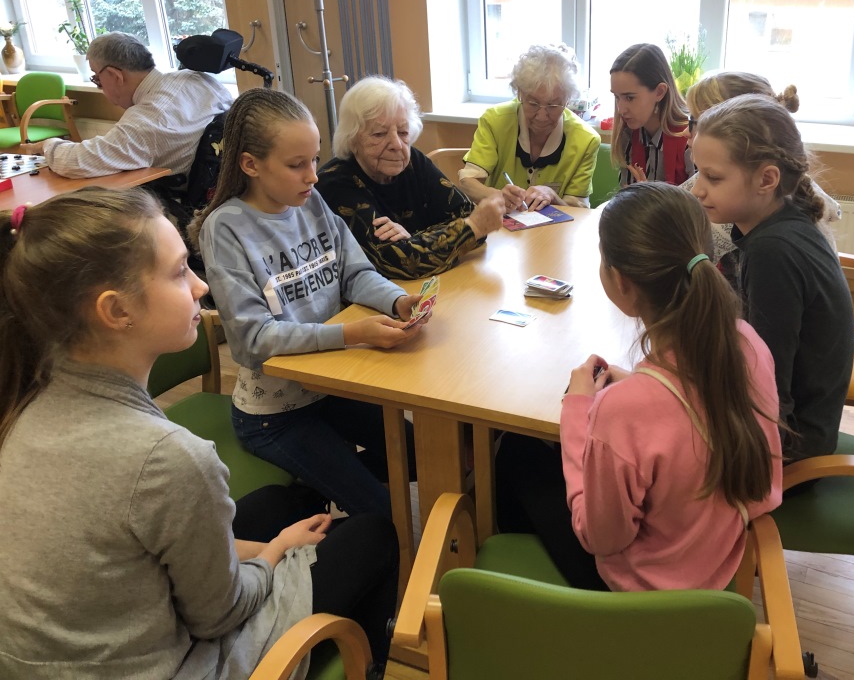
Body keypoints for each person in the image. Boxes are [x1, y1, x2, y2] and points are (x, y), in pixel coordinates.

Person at [0, 188, 398, 679]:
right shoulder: (167, 457)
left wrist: (266, 546)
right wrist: (275, 552)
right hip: (181, 665)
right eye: (178, 272)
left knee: (278, 503)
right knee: (374, 533)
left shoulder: (22, 403)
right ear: (116, 311)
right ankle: (364, 664)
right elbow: (219, 616)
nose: (200, 286)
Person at [496, 183, 783, 592]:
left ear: (621, 282)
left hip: (642, 593)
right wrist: (640, 384)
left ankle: (538, 603)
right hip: (717, 561)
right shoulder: (747, 342)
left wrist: (578, 408)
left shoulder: (624, 409)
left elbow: (601, 538)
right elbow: (703, 418)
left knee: (515, 451)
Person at [189, 88, 423, 519]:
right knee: (384, 515)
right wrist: (350, 334)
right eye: (297, 164)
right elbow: (253, 340)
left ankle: (316, 489)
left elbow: (354, 273)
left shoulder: (309, 201)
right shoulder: (226, 228)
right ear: (250, 165)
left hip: (331, 388)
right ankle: (307, 498)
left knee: (420, 454)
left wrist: (397, 301)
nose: (313, 176)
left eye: (315, 159)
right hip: (275, 414)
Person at [689, 93, 854, 463]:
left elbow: (767, 392)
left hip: (788, 447)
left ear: (767, 179)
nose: (698, 189)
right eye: (698, 171)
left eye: (713, 177)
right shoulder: (785, 221)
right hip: (788, 426)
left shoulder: (773, 253)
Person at [318, 76, 504, 279]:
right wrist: (471, 228)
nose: (396, 144)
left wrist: (411, 240)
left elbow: (467, 214)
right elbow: (398, 263)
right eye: (379, 134)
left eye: (403, 132)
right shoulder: (335, 184)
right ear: (352, 138)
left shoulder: (412, 161)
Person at [682, 70, 842, 278]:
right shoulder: (771, 208)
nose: (686, 131)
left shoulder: (771, 248)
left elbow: (679, 254)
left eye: (695, 121)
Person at [26, 31, 234, 179]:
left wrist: (47, 145)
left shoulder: (145, 121)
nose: (99, 86)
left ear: (115, 75)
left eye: (97, 78)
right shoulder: (198, 79)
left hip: (176, 205)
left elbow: (77, 162)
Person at [460, 43, 600, 211]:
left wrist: (552, 196)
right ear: (520, 93)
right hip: (497, 222)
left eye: (553, 105)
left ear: (568, 99)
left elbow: (579, 211)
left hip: (556, 228)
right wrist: (497, 196)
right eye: (533, 103)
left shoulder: (586, 140)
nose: (541, 116)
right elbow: (467, 183)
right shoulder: (495, 121)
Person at [609, 43, 693, 186]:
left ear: (659, 92)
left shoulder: (690, 137)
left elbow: (700, 199)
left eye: (630, 98)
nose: (621, 110)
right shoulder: (628, 135)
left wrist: (649, 195)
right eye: (617, 97)